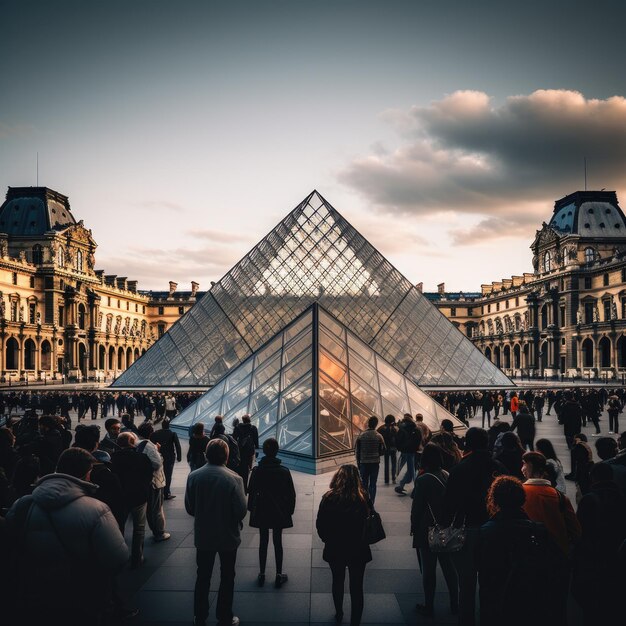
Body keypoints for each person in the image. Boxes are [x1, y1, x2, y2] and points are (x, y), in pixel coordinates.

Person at [5, 447, 129, 626]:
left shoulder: (23, 504)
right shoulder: (97, 509)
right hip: (80, 598)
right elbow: (117, 559)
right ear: (88, 473)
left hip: (32, 594)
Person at [479, 476, 565, 626]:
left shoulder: (487, 532)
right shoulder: (539, 530)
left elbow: (483, 571)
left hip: (498, 603)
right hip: (531, 600)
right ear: (522, 499)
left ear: (495, 500)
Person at [444, 427, 504, 626]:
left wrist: (446, 526)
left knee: (466, 585)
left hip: (467, 528)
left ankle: (466, 620)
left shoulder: (460, 469)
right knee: (491, 583)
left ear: (468, 443)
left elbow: (450, 503)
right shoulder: (497, 467)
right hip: (494, 529)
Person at [185, 438, 246, 626]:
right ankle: (224, 615)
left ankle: (199, 616)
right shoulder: (235, 479)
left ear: (206, 454)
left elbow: (190, 508)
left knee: (203, 576)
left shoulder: (194, 476)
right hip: (228, 536)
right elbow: (241, 511)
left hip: (204, 535)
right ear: (227, 456)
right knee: (228, 576)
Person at [521, 451, 580, 626]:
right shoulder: (560, 497)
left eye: (524, 464)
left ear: (532, 469)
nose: (522, 468)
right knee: (557, 606)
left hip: (528, 557)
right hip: (558, 557)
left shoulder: (520, 494)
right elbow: (576, 531)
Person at [316, 464, 372, 626]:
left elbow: (320, 525)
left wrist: (328, 540)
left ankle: (339, 612)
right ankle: (355, 621)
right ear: (357, 479)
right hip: (358, 549)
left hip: (335, 548)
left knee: (337, 581)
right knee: (357, 587)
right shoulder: (364, 498)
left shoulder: (328, 498)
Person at [572, 463, 626, 625]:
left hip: (593, 559)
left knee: (592, 609)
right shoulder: (622, 498)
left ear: (593, 477)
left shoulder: (589, 499)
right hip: (617, 557)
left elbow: (580, 531)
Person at [410, 443, 458, 618]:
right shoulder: (446, 474)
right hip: (445, 526)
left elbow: (417, 507)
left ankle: (428, 604)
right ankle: (455, 601)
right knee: (449, 567)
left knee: (428, 569)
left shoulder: (423, 479)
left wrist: (414, 527)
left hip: (427, 528)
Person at [247, 438, 296, 588]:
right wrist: (289, 511)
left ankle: (262, 573)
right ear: (277, 451)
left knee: (263, 541)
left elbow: (251, 491)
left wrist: (251, 509)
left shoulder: (257, 471)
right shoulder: (284, 471)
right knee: (277, 541)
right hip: (279, 510)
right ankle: (278, 574)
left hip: (262, 509)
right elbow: (291, 494)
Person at [111, 432, 154, 568]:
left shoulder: (112, 458)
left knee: (119, 527)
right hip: (139, 496)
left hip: (120, 497)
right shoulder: (142, 457)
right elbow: (149, 475)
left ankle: (119, 556)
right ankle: (137, 557)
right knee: (139, 528)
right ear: (132, 442)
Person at [137, 422, 171, 543]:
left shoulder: (136, 443)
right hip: (155, 482)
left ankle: (155, 530)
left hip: (144, 481)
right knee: (156, 508)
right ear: (151, 433)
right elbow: (157, 463)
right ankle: (159, 532)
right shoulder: (149, 446)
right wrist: (159, 451)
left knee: (150, 508)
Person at [355, 415, 385, 504]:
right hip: (375, 463)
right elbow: (383, 450)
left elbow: (357, 452)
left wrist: (358, 464)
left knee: (364, 484)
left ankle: (364, 502)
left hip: (364, 463)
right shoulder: (379, 436)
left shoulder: (361, 436)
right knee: (373, 484)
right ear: (376, 424)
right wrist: (377, 454)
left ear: (368, 424)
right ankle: (372, 502)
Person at [150, 417, 182, 499]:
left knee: (158, 474)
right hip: (169, 457)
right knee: (168, 475)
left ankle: (159, 490)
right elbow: (177, 446)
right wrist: (179, 457)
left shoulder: (155, 433)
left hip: (158, 456)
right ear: (169, 426)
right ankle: (166, 492)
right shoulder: (172, 433)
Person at [394, 414, 422, 495]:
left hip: (404, 451)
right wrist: (416, 448)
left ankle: (402, 484)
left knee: (409, 469)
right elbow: (418, 438)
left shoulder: (401, 428)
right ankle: (406, 484)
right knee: (411, 469)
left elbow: (397, 439)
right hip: (412, 451)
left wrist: (400, 448)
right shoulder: (415, 428)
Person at [233, 414, 259, 493]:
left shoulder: (238, 427)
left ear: (243, 420)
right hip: (249, 450)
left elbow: (234, 438)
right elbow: (256, 439)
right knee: (246, 468)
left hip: (240, 449)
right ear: (249, 420)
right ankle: (244, 486)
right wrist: (256, 447)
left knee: (239, 466)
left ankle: (237, 485)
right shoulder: (253, 428)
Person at [377, 414, 398, 484]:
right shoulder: (395, 428)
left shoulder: (381, 428)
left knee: (386, 464)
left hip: (386, 448)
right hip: (393, 448)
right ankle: (393, 478)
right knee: (394, 463)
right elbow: (397, 438)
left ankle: (386, 480)